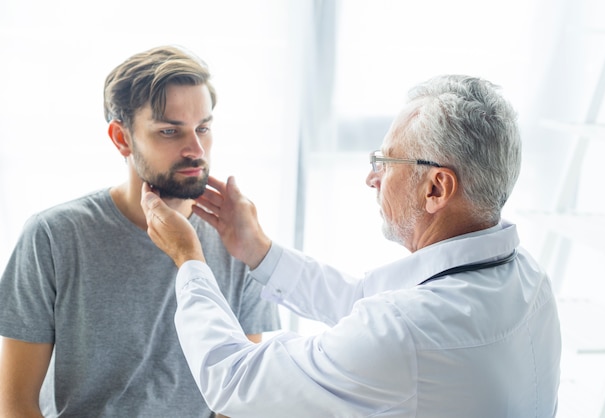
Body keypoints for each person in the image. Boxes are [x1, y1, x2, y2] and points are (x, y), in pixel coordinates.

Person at [140, 75, 562, 417]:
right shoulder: (529, 280)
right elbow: (364, 302)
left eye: (386, 161)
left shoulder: (405, 333)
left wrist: (189, 260)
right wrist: (260, 251)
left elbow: (233, 379)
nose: (372, 177)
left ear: (436, 188)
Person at [0, 45, 280, 418]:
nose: (196, 149)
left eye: (203, 128)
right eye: (169, 130)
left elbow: (239, 399)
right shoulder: (52, 237)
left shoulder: (241, 243)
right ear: (122, 138)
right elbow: (16, 404)